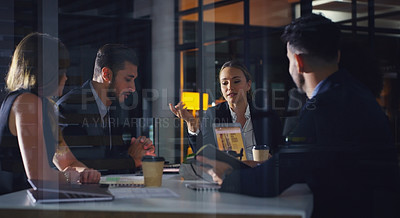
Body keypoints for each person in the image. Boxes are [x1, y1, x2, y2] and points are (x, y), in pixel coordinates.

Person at [196, 14, 400, 218]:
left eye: (288, 60)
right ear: (337, 56)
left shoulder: (325, 107)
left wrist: (228, 176)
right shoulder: (351, 93)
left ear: (299, 62)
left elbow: (273, 180)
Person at [0, 32, 101, 195]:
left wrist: (86, 173)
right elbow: (39, 177)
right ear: (47, 70)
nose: (66, 77)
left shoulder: (44, 106)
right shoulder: (27, 103)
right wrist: (73, 178)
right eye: (62, 70)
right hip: (14, 204)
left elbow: (68, 161)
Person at [57, 44, 154, 173]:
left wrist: (139, 150)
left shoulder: (114, 107)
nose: (133, 88)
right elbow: (83, 167)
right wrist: (131, 160)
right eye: (128, 79)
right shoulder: (70, 107)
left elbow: (107, 157)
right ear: (107, 74)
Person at [169, 60, 282, 160]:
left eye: (236, 81)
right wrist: (190, 122)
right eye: (224, 83)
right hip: (229, 176)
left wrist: (273, 159)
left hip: (262, 175)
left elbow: (280, 149)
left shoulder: (267, 114)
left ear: (248, 85)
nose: (230, 87)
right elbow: (204, 155)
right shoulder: (213, 114)